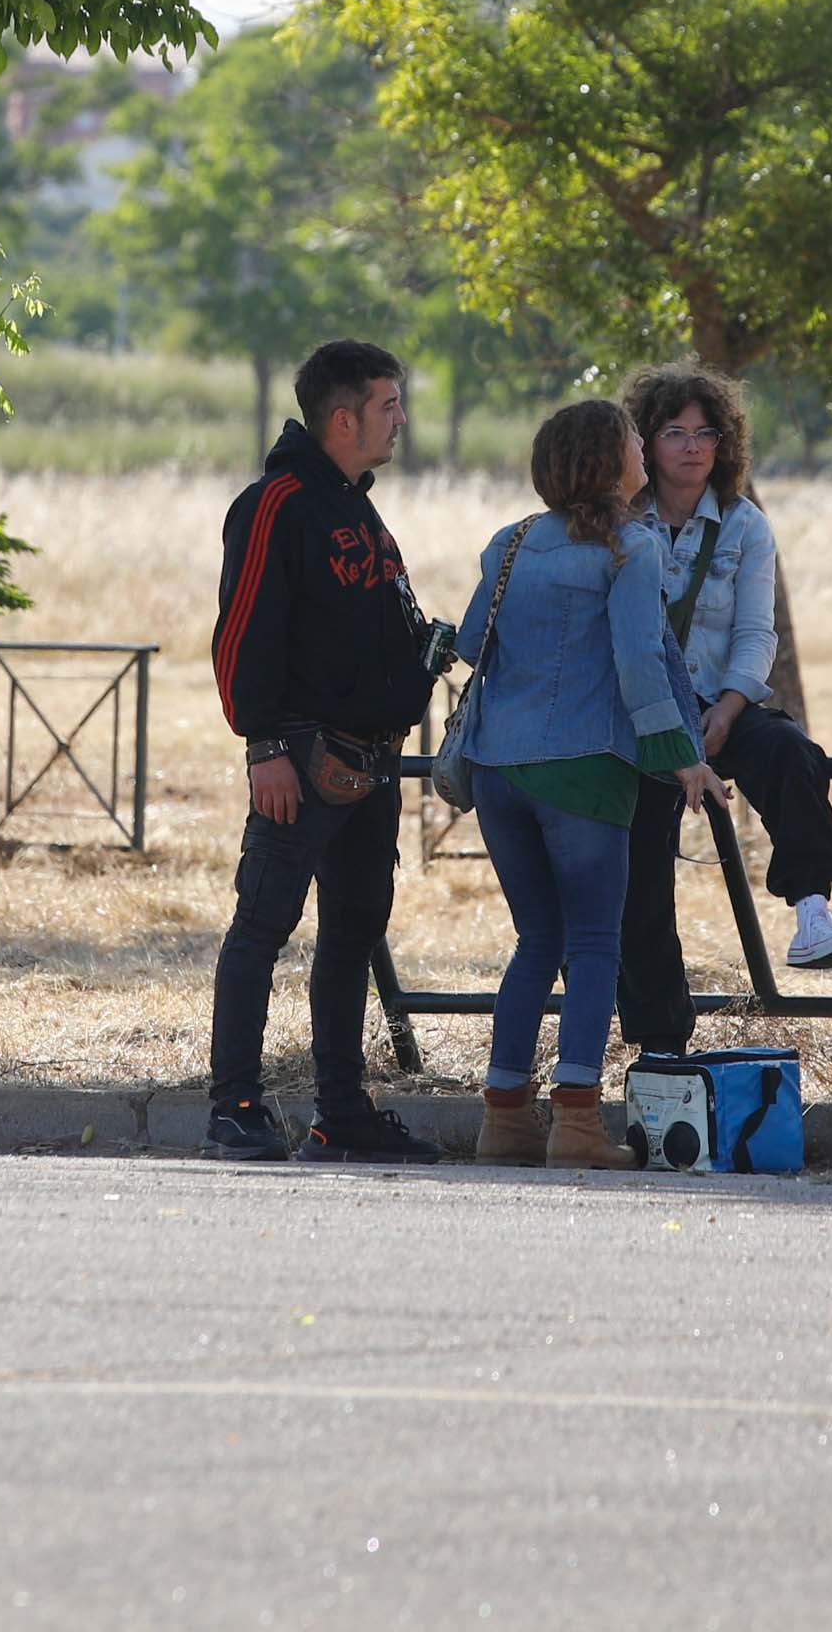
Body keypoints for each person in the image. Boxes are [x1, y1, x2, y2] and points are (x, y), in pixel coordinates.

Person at [454, 400, 717, 1169]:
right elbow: (640, 662)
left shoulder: (509, 543)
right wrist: (682, 756)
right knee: (596, 943)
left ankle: (502, 1121)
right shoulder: (630, 547)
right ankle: (574, 1124)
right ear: (612, 461)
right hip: (585, 767)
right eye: (636, 439)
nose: (645, 448)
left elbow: (472, 641)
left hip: (499, 768)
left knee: (536, 941)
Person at [202, 339, 447, 1163]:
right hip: (301, 759)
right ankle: (232, 1107)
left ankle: (340, 1113)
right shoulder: (278, 502)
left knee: (351, 933)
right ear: (342, 418)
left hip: (369, 763)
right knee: (262, 926)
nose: (400, 421)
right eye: (388, 407)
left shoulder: (355, 505)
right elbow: (241, 636)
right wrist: (265, 746)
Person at [616, 364, 832, 1067]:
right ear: (644, 442)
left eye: (707, 433)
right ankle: (659, 1041)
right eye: (674, 433)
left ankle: (811, 907)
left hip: (721, 697)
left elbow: (757, 632)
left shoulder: (744, 522)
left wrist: (726, 709)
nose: (693, 448)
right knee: (641, 864)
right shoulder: (617, 518)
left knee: (790, 752)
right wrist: (667, 730)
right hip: (640, 710)